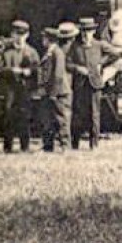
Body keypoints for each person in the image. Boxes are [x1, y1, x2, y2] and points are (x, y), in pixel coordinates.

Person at [0, 21, 39, 152]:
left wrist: (29, 72)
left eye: (23, 34)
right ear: (12, 35)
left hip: (25, 88)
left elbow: (37, 69)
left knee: (25, 115)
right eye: (17, 34)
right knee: (9, 115)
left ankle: (24, 146)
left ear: (27, 35)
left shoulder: (31, 52)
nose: (20, 37)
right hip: (10, 88)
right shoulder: (6, 52)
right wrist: (11, 70)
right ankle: (7, 147)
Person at [37, 23, 76, 152]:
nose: (43, 41)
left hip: (59, 92)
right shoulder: (50, 52)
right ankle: (48, 146)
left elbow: (58, 74)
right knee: (48, 119)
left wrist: (53, 93)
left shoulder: (57, 53)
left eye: (44, 38)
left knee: (62, 119)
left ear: (49, 39)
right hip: (52, 91)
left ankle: (66, 145)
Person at [69, 17, 105, 150]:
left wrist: (101, 63)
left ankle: (94, 143)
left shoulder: (99, 45)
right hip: (79, 84)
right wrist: (77, 68)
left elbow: (115, 54)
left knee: (94, 114)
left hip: (94, 84)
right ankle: (75, 143)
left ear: (94, 31)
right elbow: (68, 63)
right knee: (78, 113)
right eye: (83, 31)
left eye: (88, 31)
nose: (85, 34)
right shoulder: (75, 46)